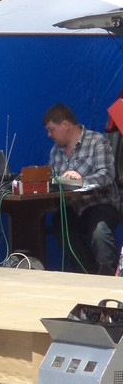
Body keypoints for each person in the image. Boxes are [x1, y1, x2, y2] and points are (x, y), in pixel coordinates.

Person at [43, 103, 120, 275]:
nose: (49, 135)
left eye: (51, 129)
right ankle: (86, 273)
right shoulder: (56, 151)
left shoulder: (97, 141)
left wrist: (82, 181)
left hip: (99, 203)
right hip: (73, 206)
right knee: (60, 224)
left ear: (65, 124)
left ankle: (106, 277)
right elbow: (53, 178)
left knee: (99, 231)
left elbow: (107, 175)